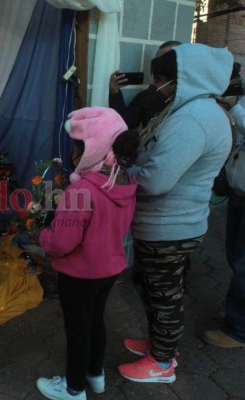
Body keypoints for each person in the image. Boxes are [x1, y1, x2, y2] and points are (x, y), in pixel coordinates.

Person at [118, 43, 234, 383]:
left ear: (188, 78)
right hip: (164, 225)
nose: (159, 86)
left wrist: (126, 176)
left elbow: (157, 179)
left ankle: (163, 362)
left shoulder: (196, 119)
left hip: (171, 228)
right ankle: (159, 344)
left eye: (166, 79)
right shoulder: (186, 110)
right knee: (154, 288)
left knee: (164, 295)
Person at [36, 107, 139, 400]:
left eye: (77, 148)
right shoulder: (124, 182)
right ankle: (96, 374)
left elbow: (61, 243)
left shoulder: (82, 192)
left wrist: (42, 235)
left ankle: (73, 388)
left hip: (80, 274)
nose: (71, 155)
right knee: (95, 322)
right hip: (109, 268)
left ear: (93, 149)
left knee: (77, 329)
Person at [201, 95, 245, 349]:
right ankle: (235, 310)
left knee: (243, 265)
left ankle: (238, 330)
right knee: (235, 258)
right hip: (238, 195)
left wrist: (235, 108)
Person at [109, 41, 181, 130]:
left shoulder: (192, 100)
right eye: (158, 60)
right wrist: (115, 93)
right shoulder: (148, 96)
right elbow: (125, 122)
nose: (160, 64)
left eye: (166, 58)